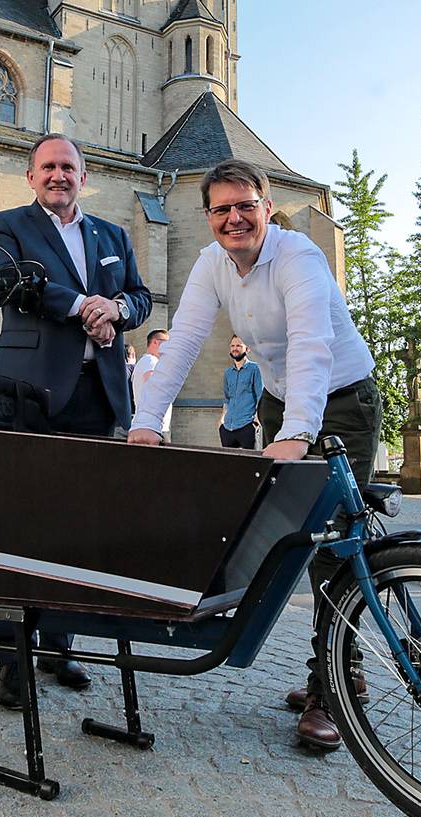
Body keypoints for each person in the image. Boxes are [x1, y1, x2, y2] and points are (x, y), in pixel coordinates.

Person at [128, 159, 381, 752]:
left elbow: (312, 344)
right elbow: (186, 339)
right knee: (283, 537)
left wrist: (298, 432)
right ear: (209, 217)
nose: (234, 218)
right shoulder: (212, 263)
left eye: (246, 205)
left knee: (335, 545)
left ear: (267, 207)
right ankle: (334, 661)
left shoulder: (299, 257)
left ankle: (335, 683)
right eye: (221, 209)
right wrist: (145, 422)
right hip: (278, 398)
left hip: (341, 399)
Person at [0, 133, 152, 705]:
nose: (59, 175)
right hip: (31, 392)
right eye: (48, 167)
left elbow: (141, 295)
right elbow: (18, 287)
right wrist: (85, 307)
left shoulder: (113, 234)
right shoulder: (6, 225)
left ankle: (60, 645)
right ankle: (12, 657)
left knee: (79, 526)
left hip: (96, 395)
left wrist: (119, 308)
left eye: (69, 167)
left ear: (84, 176)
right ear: (31, 176)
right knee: (18, 522)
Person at [220, 337, 262, 450]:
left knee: (251, 463)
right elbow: (227, 398)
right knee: (229, 464)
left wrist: (257, 419)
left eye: (239, 346)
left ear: (247, 349)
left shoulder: (255, 369)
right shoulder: (227, 373)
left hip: (247, 425)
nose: (235, 349)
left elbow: (260, 396)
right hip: (228, 427)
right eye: (232, 346)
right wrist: (221, 420)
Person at [131, 328, 169, 435]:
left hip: (150, 424)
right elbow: (155, 388)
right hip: (154, 425)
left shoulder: (145, 361)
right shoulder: (151, 361)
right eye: (167, 342)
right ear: (155, 342)